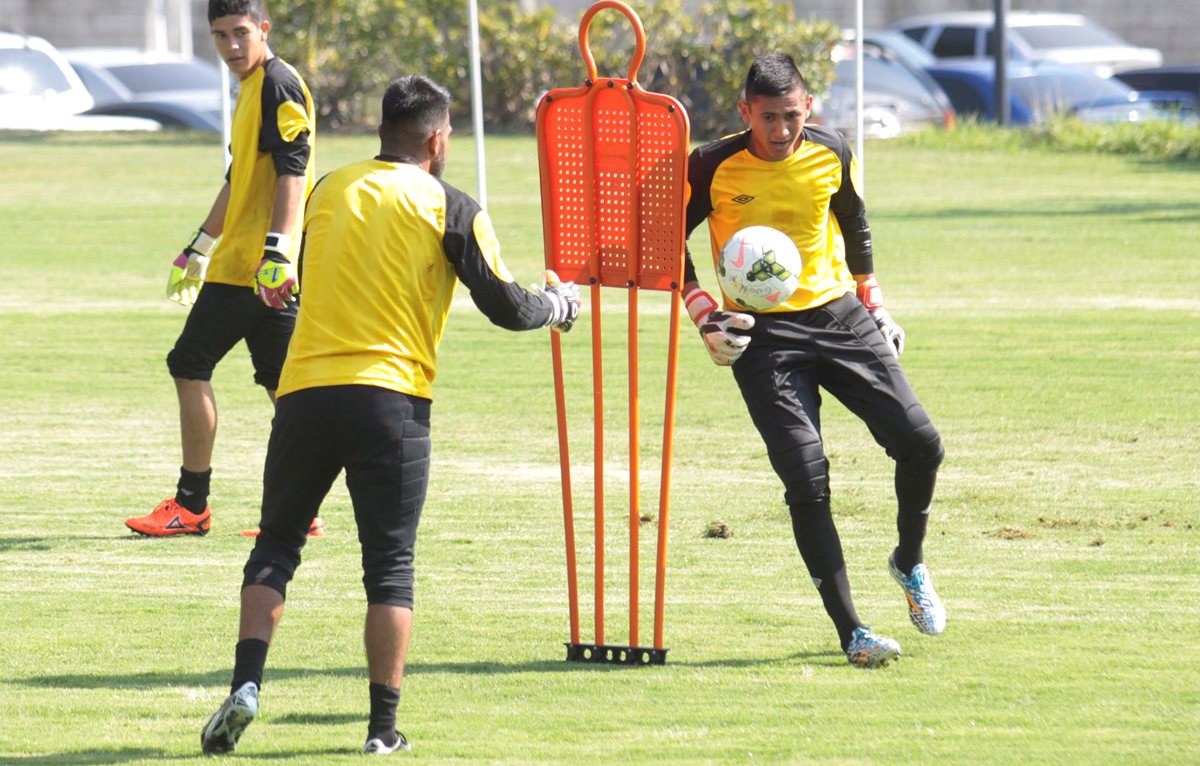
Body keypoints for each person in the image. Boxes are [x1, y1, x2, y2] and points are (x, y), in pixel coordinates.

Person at [199, 75, 580, 756]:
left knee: (277, 545)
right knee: (389, 567)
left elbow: (299, 272)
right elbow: (507, 306)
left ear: (382, 131)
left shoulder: (329, 189)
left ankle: (247, 685)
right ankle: (381, 731)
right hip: (391, 401)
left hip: (304, 393)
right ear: (437, 140)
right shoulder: (450, 205)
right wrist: (561, 306)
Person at [681, 52, 946, 669]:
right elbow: (666, 243)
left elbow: (854, 221)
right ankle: (854, 633)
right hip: (760, 335)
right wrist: (703, 313)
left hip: (838, 316)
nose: (781, 130)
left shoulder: (832, 150)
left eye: (792, 116)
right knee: (806, 478)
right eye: (768, 117)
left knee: (922, 444)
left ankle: (908, 561)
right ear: (745, 112)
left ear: (808, 107)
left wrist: (875, 303)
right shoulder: (711, 164)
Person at [125, 0, 324, 539]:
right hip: (256, 265)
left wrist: (276, 253)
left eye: (240, 32)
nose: (231, 46)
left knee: (189, 363)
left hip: (251, 268)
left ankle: (192, 505)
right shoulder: (253, 86)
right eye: (220, 35)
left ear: (263, 29)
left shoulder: (279, 84)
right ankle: (301, 510)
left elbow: (293, 172)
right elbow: (241, 176)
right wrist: (199, 245)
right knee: (285, 386)